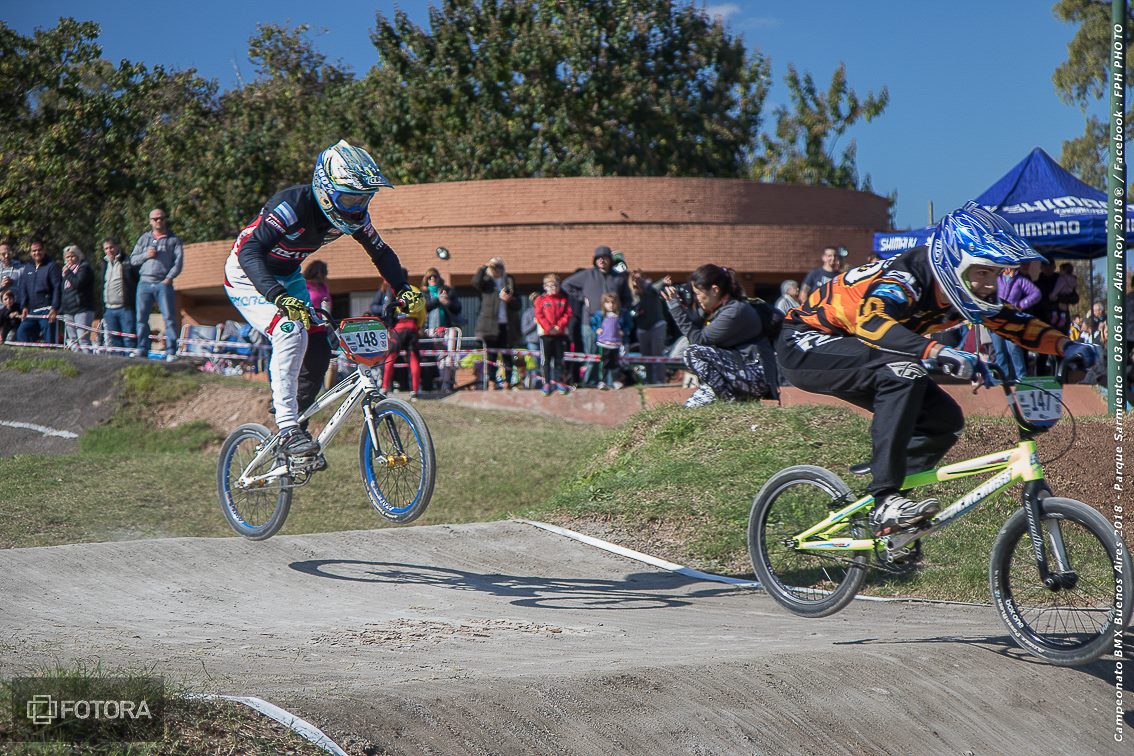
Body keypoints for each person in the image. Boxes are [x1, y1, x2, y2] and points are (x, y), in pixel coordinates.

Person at [776, 202, 1096, 537]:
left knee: (944, 421)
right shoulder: (907, 276)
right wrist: (938, 351)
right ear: (955, 263)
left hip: (862, 350)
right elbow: (870, 322)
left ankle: (890, 511)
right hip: (806, 342)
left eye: (996, 273)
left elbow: (1016, 323)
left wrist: (1065, 346)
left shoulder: (962, 290)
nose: (991, 284)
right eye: (982, 272)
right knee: (901, 371)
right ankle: (884, 499)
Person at [224, 139, 422, 459]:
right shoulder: (290, 206)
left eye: (363, 199)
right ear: (325, 189)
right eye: (349, 198)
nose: (356, 208)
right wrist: (278, 296)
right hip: (247, 274)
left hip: (288, 275)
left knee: (318, 344)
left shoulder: (354, 217)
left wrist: (402, 287)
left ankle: (297, 423)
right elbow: (250, 252)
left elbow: (380, 251)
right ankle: (286, 427)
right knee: (289, 331)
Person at [661, 264, 775, 408]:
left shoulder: (735, 311)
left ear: (715, 290)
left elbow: (699, 340)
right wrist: (686, 307)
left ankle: (730, 403)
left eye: (698, 293)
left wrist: (675, 307)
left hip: (755, 376)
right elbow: (695, 328)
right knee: (689, 409)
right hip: (737, 374)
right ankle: (728, 398)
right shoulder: (718, 309)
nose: (697, 298)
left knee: (692, 352)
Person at [561, 246, 632, 386]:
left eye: (605, 258)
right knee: (592, 354)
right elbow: (566, 284)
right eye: (599, 258)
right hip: (590, 322)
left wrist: (621, 313)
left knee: (611, 355)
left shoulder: (619, 277)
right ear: (595, 260)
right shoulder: (587, 275)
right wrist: (582, 297)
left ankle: (610, 382)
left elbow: (627, 299)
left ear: (610, 260)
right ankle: (590, 383)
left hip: (612, 324)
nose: (602, 261)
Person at [131, 208, 183, 360]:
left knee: (169, 318)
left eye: (161, 218)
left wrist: (169, 278)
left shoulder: (173, 239)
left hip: (162, 283)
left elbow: (178, 262)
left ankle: (171, 351)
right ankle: (142, 348)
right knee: (141, 318)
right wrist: (146, 255)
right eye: (155, 219)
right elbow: (133, 259)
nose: (158, 221)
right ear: (150, 222)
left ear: (165, 220)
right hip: (144, 283)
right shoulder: (144, 239)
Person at [472, 257, 521, 390]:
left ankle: (507, 381)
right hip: (490, 326)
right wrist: (485, 266)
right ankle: (491, 381)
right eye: (494, 267)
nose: (497, 269)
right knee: (491, 355)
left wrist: (510, 300)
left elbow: (518, 305)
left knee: (507, 355)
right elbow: (475, 282)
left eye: (499, 266)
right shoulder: (486, 282)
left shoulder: (509, 281)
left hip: (507, 325)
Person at [988, 265, 1040, 382]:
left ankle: (1022, 378)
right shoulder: (996, 278)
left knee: (1014, 349)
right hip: (995, 319)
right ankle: (1003, 379)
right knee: (999, 351)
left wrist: (1020, 305)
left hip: (1012, 319)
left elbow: (1036, 293)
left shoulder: (1020, 280)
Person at [15, 240, 61, 344]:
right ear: (31, 253)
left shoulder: (52, 266)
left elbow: (57, 288)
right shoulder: (28, 267)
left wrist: (54, 308)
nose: (37, 253)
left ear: (44, 251)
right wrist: (24, 306)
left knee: (49, 338)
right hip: (32, 310)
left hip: (47, 309)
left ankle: (51, 354)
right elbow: (23, 288)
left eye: (39, 250)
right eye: (34, 251)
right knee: (22, 332)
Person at [533, 273, 572, 396]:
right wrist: (549, 328)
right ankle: (546, 383)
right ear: (544, 287)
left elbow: (567, 314)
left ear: (559, 286)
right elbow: (539, 315)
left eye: (555, 285)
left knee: (559, 359)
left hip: (559, 334)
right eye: (549, 286)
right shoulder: (540, 300)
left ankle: (560, 382)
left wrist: (559, 326)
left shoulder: (563, 300)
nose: (552, 288)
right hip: (546, 334)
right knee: (546, 360)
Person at [630, 269, 667, 384]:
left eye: (640, 277)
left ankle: (660, 380)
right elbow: (631, 311)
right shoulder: (633, 294)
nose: (638, 280)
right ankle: (650, 381)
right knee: (646, 357)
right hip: (642, 328)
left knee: (657, 354)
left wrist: (663, 281)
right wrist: (635, 313)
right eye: (635, 278)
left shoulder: (651, 288)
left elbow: (657, 285)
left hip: (657, 325)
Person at [101, 237, 138, 352]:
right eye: (106, 248)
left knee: (129, 338)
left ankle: (132, 361)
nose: (109, 250)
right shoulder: (104, 263)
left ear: (117, 247)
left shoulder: (127, 261)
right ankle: (118, 362)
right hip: (109, 309)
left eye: (111, 247)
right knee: (114, 340)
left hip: (125, 308)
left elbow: (135, 280)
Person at [60, 245, 96, 351]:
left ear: (78, 256)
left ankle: (87, 359)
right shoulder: (65, 272)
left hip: (82, 308)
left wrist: (68, 273)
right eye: (67, 257)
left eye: (72, 256)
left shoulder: (84, 268)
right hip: (68, 310)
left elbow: (78, 283)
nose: (70, 259)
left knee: (83, 339)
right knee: (72, 340)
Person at [594, 292, 624, 389]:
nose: (610, 305)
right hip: (603, 344)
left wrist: (624, 331)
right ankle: (602, 382)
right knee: (604, 363)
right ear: (604, 304)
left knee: (615, 363)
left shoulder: (620, 315)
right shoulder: (600, 315)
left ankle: (616, 381)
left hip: (616, 344)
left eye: (613, 302)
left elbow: (628, 325)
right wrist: (597, 329)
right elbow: (593, 322)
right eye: (608, 302)